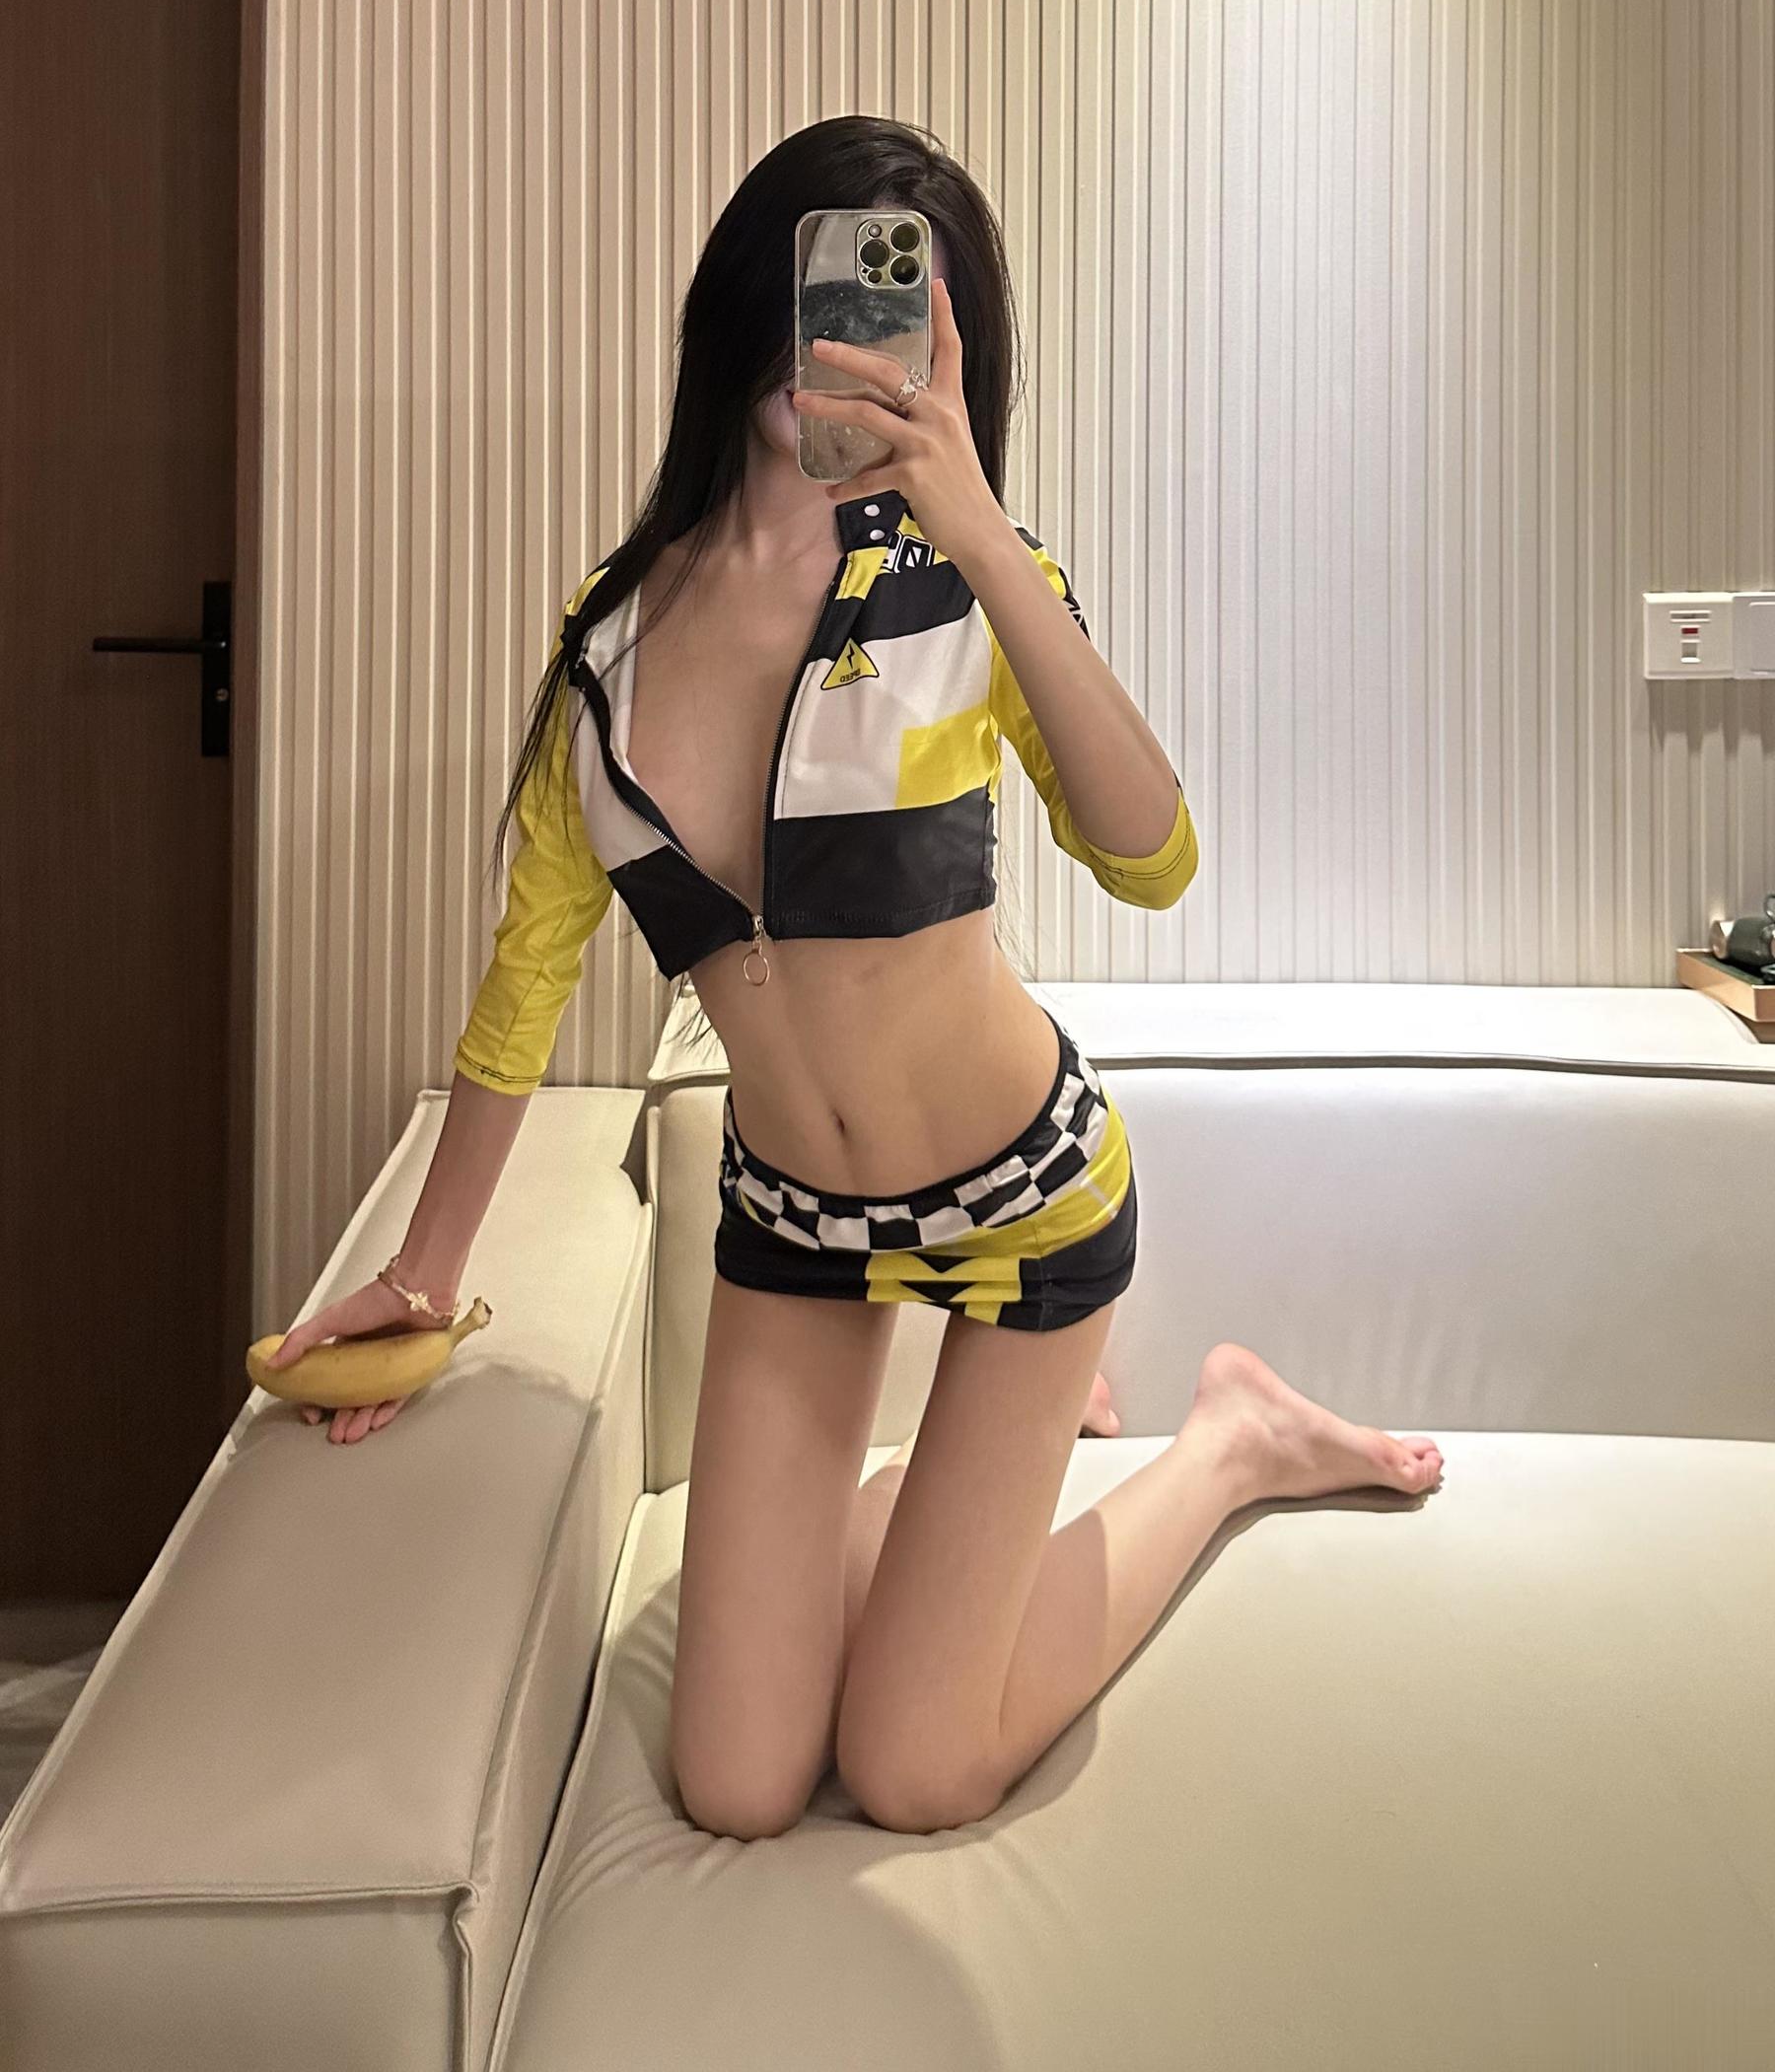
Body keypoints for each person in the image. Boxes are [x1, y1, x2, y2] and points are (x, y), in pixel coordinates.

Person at [267, 115, 1442, 1839]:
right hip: (792, 1225)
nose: (843, 343)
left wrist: (981, 528)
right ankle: (937, 1504)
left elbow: (1152, 856)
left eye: (897, 310)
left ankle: (1232, 1443)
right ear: (751, 296)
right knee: (739, 1786)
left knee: (916, 1770)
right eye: (825, 285)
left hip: (1024, 1200)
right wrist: (425, 1277)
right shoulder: (606, 646)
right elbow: (526, 984)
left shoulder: (959, 590)